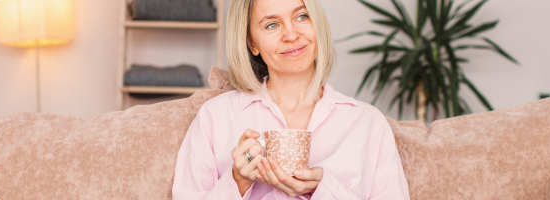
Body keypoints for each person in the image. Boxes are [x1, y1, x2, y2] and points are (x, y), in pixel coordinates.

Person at [172, 0, 410, 199]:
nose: (291, 34)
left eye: (302, 17)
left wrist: (322, 189)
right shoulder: (215, 117)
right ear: (251, 43)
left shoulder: (367, 124)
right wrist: (238, 181)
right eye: (272, 25)